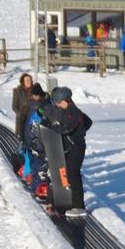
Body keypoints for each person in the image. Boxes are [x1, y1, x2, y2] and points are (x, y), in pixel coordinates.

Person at [40, 85, 93, 217]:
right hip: (71, 145)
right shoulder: (67, 110)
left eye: (59, 102)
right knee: (68, 173)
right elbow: (88, 121)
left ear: (66, 100)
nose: (57, 105)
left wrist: (52, 126)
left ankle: (79, 206)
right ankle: (72, 201)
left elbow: (66, 129)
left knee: (73, 173)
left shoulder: (73, 112)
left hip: (77, 146)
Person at [11, 72, 34, 142]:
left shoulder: (35, 90)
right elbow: (14, 106)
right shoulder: (17, 91)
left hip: (33, 118)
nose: (29, 81)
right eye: (27, 80)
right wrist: (20, 114)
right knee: (22, 139)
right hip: (22, 118)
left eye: (30, 80)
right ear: (23, 82)